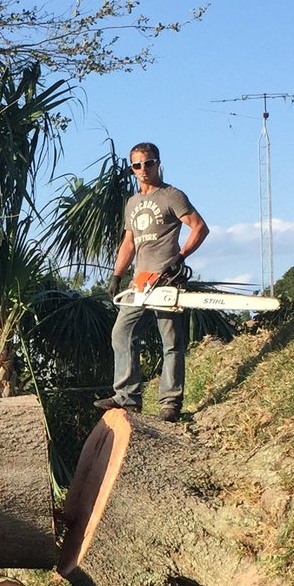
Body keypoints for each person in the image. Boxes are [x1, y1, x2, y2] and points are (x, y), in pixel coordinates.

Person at [99, 142, 210, 422]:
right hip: (141, 279)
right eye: (137, 165)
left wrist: (181, 256)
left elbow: (199, 226)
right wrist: (116, 274)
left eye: (148, 163)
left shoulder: (172, 195)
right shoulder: (133, 203)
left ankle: (170, 403)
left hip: (167, 277)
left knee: (170, 341)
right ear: (132, 169)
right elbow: (129, 241)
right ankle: (127, 396)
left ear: (158, 163)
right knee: (121, 333)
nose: (143, 169)